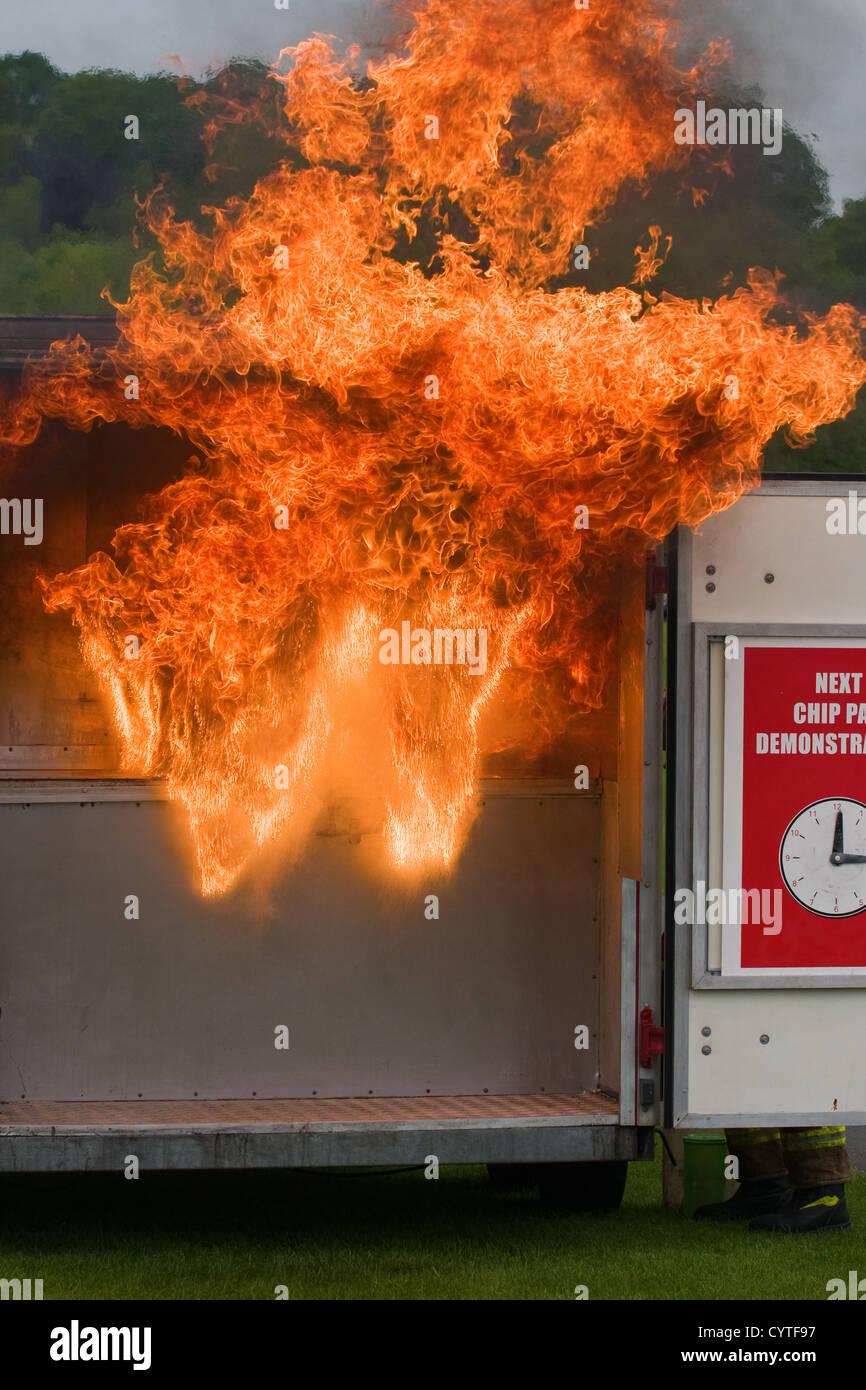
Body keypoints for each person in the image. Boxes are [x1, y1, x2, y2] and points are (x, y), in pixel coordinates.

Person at [694, 1125, 851, 1233]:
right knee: (750, 1085)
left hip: (824, 1184)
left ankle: (825, 1197)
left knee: (805, 1086)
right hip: (763, 1183)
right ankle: (765, 1187)